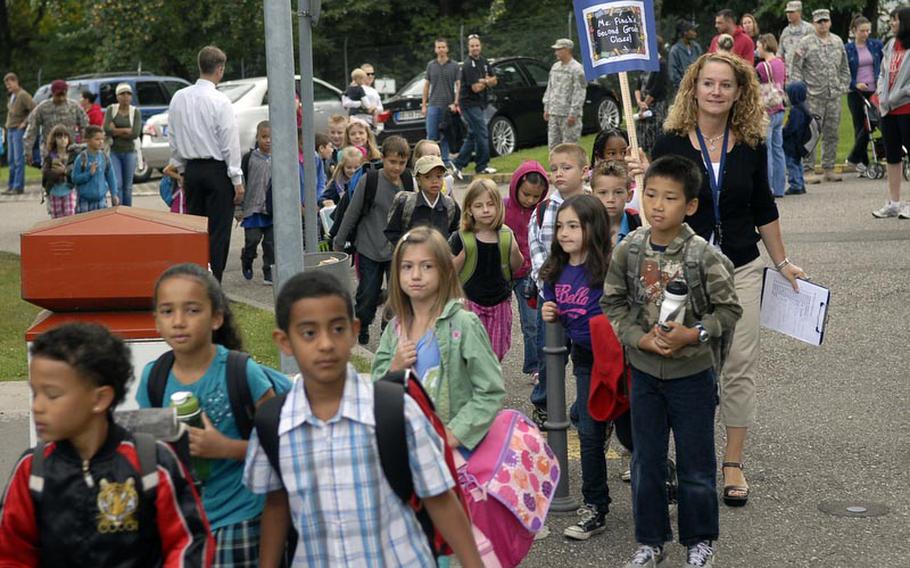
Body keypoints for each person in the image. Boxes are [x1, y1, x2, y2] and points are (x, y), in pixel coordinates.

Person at [626, 51, 807, 510]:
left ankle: (732, 463)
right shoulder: (671, 140)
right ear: (694, 87)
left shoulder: (749, 140)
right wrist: (638, 179)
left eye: (726, 85)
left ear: (738, 91)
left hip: (741, 268)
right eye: (709, 83)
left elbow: (764, 206)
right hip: (686, 272)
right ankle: (685, 459)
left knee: (739, 363)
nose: (716, 92)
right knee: (688, 363)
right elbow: (656, 203)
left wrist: (783, 263)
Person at [244, 270, 483, 568]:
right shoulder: (274, 425)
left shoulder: (396, 410)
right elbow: (276, 503)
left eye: (337, 329)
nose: (326, 344)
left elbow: (440, 497)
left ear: (354, 330)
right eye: (309, 333)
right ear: (284, 341)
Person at [603, 155, 742, 568]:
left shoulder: (703, 256)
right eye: (649, 195)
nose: (657, 205)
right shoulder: (630, 248)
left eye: (669, 197)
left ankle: (700, 542)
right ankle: (649, 542)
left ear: (691, 206)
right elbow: (613, 303)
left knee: (696, 464)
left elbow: (729, 310)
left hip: (692, 376)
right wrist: (638, 338)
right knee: (645, 462)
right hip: (644, 374)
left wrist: (693, 334)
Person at [0, 322, 214, 566]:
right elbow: (10, 552)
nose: (37, 406)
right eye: (35, 393)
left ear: (100, 399)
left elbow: (188, 542)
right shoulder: (32, 470)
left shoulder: (152, 463)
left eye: (52, 395)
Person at [137, 263, 289, 566]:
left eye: (192, 310)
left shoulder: (241, 371)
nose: (178, 321)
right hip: (184, 521)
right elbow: (148, 451)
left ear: (216, 317)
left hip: (243, 517)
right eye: (167, 311)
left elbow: (282, 446)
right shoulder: (154, 378)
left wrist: (225, 448)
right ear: (155, 321)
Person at [372, 226, 505, 451]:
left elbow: (491, 390)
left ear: (444, 271)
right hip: (409, 451)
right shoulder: (394, 329)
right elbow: (376, 389)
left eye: (427, 266)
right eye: (407, 267)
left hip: (456, 456)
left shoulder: (463, 325)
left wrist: (452, 435)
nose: (415, 275)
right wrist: (393, 369)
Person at [539, 194, 614, 540]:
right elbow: (551, 302)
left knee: (633, 436)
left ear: (592, 228)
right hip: (585, 358)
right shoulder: (556, 268)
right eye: (560, 226)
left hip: (618, 360)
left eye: (573, 226)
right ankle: (595, 506)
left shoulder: (608, 269)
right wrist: (549, 309)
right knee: (588, 430)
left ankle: (663, 477)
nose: (564, 233)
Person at [167, 45, 244, 283]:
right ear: (220, 69)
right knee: (218, 231)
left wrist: (180, 167)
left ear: (200, 66)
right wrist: (237, 178)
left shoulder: (179, 97)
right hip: (217, 169)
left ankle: (198, 277)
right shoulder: (220, 101)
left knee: (197, 229)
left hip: (192, 169)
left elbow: (174, 135)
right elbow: (229, 141)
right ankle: (215, 281)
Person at [528, 143, 589, 426]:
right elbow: (538, 255)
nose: (559, 174)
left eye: (567, 168)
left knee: (586, 354)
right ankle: (544, 402)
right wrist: (551, 291)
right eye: (554, 169)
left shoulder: (593, 206)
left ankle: (585, 407)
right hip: (552, 297)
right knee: (549, 354)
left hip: (587, 295)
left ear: (584, 171)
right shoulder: (542, 211)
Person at [333, 136, 411, 346]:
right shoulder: (370, 180)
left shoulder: (409, 181)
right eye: (392, 162)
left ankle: (388, 331)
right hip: (369, 247)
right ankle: (364, 321)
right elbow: (352, 212)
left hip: (396, 250)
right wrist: (339, 242)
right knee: (368, 294)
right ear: (383, 158)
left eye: (402, 163)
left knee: (397, 295)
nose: (397, 167)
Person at [449, 178, 523, 361]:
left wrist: (514, 251)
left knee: (496, 352)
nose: (486, 210)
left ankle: (488, 381)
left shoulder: (506, 235)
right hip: (470, 301)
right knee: (470, 350)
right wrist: (463, 255)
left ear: (499, 206)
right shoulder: (461, 237)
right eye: (479, 205)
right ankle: (473, 384)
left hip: (499, 302)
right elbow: (449, 272)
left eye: (491, 204)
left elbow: (516, 266)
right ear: (469, 210)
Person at [790, 9, 850, 183]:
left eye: (825, 21)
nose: (823, 24)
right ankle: (808, 169)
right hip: (812, 96)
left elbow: (845, 67)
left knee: (832, 133)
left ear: (830, 22)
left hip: (833, 96)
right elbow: (795, 69)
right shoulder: (805, 43)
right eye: (819, 21)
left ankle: (829, 168)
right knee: (811, 133)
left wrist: (843, 85)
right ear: (814, 23)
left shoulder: (837, 41)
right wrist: (800, 92)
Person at [504, 161, 549, 381]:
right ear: (515, 186)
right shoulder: (503, 207)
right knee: (496, 321)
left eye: (535, 197)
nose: (530, 200)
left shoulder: (541, 212)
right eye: (526, 195)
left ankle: (534, 367)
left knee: (531, 322)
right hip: (502, 273)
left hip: (528, 276)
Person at [872, 7, 910, 219]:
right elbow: (882, 74)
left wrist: (897, 96)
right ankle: (894, 201)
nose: (891, 23)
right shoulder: (889, 46)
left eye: (895, 20)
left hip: (906, 108)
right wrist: (881, 95)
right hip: (888, 110)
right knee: (892, 155)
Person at [385, 154, 460, 248]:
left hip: (441, 259)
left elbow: (458, 233)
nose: (435, 181)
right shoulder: (406, 204)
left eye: (439, 176)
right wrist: (405, 249)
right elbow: (392, 233)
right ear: (418, 180)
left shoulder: (450, 205)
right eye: (428, 177)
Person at [452, 34, 498, 178]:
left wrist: (484, 80)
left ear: (480, 46)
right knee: (482, 132)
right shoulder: (468, 65)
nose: (475, 48)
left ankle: (458, 164)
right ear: (468, 47)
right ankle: (482, 165)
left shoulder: (484, 61)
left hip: (480, 103)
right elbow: (475, 88)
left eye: (477, 45)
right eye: (472, 46)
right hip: (469, 104)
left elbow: (495, 80)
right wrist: (487, 81)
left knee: (473, 134)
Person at [845, 16, 885, 175]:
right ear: (854, 31)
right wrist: (855, 84)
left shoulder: (876, 45)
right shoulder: (847, 49)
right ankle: (863, 162)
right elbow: (843, 72)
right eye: (862, 31)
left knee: (875, 122)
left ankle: (854, 157)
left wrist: (880, 86)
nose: (866, 33)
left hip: (874, 90)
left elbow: (883, 66)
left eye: (868, 30)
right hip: (856, 92)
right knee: (860, 125)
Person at [237, 120, 274, 285]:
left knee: (271, 243)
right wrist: (238, 208)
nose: (268, 140)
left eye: (271, 137)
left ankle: (269, 272)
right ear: (257, 137)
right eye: (264, 137)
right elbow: (241, 183)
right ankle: (247, 258)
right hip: (253, 209)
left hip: (273, 210)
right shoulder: (249, 158)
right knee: (252, 239)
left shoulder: (281, 158)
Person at [24, 79, 88, 165]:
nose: (61, 98)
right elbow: (31, 130)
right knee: (53, 173)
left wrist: (84, 145)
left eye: (63, 95)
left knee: (70, 174)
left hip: (70, 150)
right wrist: (28, 151)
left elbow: (85, 125)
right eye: (58, 95)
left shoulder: (74, 106)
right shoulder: (43, 108)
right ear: (53, 93)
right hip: (50, 151)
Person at [756, 34, 788, 198]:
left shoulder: (762, 66)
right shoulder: (781, 62)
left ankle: (767, 188)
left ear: (764, 45)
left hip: (767, 110)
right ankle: (780, 187)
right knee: (778, 149)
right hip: (780, 107)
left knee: (766, 150)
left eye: (758, 46)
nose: (757, 49)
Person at [543, 38, 588, 150]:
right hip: (554, 112)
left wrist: (573, 113)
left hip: (568, 114)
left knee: (569, 148)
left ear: (567, 50)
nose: (556, 52)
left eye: (559, 49)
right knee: (553, 147)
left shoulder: (577, 69)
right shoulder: (555, 67)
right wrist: (546, 107)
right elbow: (550, 88)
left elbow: (579, 92)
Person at [422, 37, 460, 167]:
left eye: (443, 47)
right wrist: (424, 104)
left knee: (445, 135)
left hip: (447, 107)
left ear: (447, 49)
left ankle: (444, 160)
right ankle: (429, 161)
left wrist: (455, 103)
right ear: (435, 49)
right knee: (431, 135)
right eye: (439, 47)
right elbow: (426, 85)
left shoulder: (454, 66)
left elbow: (458, 85)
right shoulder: (431, 66)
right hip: (433, 105)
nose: (441, 49)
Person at [102, 83, 142, 207]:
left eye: (128, 94)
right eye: (122, 94)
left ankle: (128, 211)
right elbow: (106, 129)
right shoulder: (111, 109)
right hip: (114, 151)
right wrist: (125, 130)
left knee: (128, 187)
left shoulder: (135, 112)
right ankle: (118, 210)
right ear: (117, 96)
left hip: (130, 151)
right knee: (117, 184)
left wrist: (116, 130)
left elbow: (135, 133)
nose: (125, 97)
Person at [591, 160, 641, 244]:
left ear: (629, 195)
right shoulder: (584, 227)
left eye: (618, 192)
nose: (610, 199)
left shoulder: (639, 225)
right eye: (603, 192)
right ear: (592, 196)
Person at [71, 125, 118, 213]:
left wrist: (114, 194)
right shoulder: (81, 158)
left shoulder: (104, 157)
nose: (100, 142)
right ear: (88, 140)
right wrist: (89, 174)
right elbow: (75, 178)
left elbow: (111, 177)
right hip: (84, 201)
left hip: (101, 201)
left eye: (102, 139)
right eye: (97, 139)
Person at [636, 39, 670, 156]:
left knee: (655, 140)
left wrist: (645, 105)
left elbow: (657, 88)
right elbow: (638, 85)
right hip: (643, 108)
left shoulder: (662, 64)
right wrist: (639, 102)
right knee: (642, 141)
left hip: (656, 109)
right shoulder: (644, 64)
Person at [4, 73, 35, 195]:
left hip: (18, 130)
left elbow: (34, 108)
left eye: (9, 83)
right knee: (11, 160)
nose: (8, 86)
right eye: (6, 84)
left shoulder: (23, 95)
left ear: (16, 81)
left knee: (18, 160)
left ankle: (18, 186)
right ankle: (11, 185)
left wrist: (25, 122)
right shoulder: (12, 96)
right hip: (10, 129)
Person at [41, 124, 78, 218]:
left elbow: (77, 173)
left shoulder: (73, 156)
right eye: (59, 137)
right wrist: (55, 173)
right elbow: (45, 175)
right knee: (56, 219)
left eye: (65, 137)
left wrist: (65, 171)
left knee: (69, 217)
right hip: (54, 191)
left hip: (69, 190)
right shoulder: (50, 157)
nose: (63, 139)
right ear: (54, 139)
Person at [783, 81, 812, 196]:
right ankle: (801, 183)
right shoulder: (804, 108)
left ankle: (796, 185)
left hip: (792, 143)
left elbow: (792, 127)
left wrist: (783, 132)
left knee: (791, 164)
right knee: (797, 163)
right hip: (800, 142)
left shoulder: (796, 111)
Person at [778, 1, 815, 77]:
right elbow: (780, 53)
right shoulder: (786, 31)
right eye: (787, 12)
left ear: (799, 12)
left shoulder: (809, 29)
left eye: (792, 12)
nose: (789, 15)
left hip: (806, 74)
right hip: (789, 74)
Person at [668, 21, 703, 94]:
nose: (695, 33)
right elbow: (673, 74)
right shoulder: (675, 50)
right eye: (692, 31)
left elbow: (702, 65)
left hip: (698, 88)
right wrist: (685, 85)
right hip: (681, 90)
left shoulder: (697, 47)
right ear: (685, 33)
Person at [359, 62, 384, 128]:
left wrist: (374, 108)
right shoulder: (358, 89)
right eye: (367, 74)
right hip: (361, 124)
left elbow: (381, 108)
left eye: (372, 74)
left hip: (373, 125)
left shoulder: (374, 91)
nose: (370, 76)